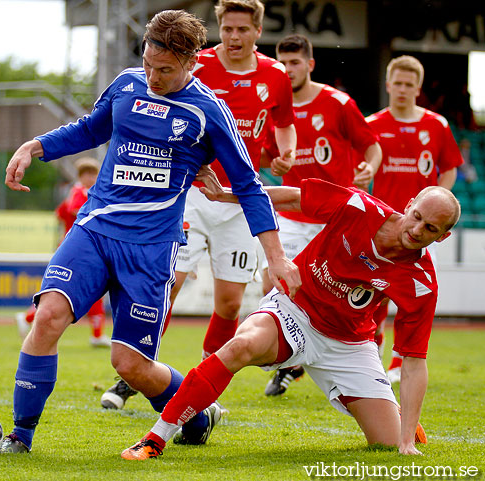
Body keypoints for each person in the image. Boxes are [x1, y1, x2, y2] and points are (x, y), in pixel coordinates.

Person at [0, 9, 300, 454]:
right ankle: (20, 437)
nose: (153, 76)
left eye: (165, 70)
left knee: (131, 365)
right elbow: (90, 128)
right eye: (147, 64)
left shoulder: (208, 112)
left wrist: (275, 257)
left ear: (192, 63)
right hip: (95, 228)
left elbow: (250, 188)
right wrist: (35, 146)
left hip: (151, 247)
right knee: (47, 318)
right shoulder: (126, 84)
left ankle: (196, 412)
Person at [121, 177, 460, 460]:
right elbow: (293, 198)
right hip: (294, 310)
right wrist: (226, 195)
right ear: (410, 202)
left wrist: (405, 441)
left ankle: (393, 418)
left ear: (442, 236)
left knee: (386, 443)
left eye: (430, 228)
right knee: (242, 346)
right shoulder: (360, 208)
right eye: (416, 216)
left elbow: (414, 362)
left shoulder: (421, 283)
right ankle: (155, 439)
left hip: (349, 344)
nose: (417, 229)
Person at [101, 0, 298, 411]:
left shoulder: (275, 76)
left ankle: (205, 385)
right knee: (169, 284)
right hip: (191, 194)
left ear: (257, 32)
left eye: (243, 29)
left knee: (228, 303)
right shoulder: (195, 64)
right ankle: (137, 371)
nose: (234, 37)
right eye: (227, 28)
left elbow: (283, 124)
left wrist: (286, 153)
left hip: (240, 200)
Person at [260, 34, 382, 396]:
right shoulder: (274, 108)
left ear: (310, 65)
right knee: (272, 285)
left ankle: (360, 371)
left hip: (336, 220)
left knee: (342, 299)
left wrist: (369, 168)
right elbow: (266, 155)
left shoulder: (337, 102)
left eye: (295, 62)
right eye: (282, 63)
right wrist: (275, 162)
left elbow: (371, 145)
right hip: (294, 215)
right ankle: (291, 360)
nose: (288, 69)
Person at [366, 55, 463, 383]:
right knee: (373, 295)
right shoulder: (372, 125)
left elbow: (449, 168)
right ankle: (371, 355)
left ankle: (399, 363)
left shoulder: (436, 125)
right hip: (383, 227)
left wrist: (438, 206)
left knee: (413, 298)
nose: (403, 89)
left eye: (410, 84)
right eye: (398, 83)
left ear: (418, 88)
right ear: (388, 84)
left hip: (422, 231)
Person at [16, 157, 110, 348]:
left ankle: (97, 334)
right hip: (79, 249)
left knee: (91, 290)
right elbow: (75, 209)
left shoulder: (82, 192)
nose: (94, 178)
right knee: (67, 292)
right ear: (82, 176)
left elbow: (60, 213)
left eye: (95, 174)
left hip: (82, 248)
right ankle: (28, 317)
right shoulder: (80, 192)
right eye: (90, 174)